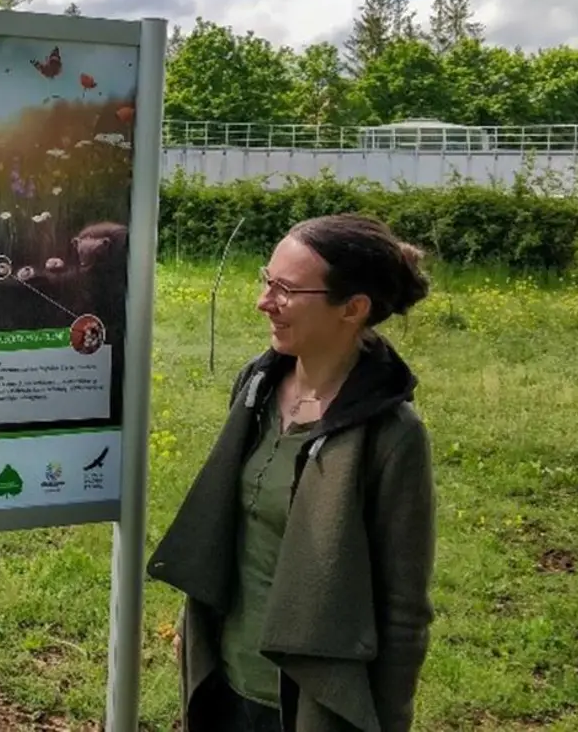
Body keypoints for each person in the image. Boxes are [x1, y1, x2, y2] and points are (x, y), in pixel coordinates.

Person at [147, 213, 437, 732]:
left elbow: (403, 612)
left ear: (352, 308)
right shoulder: (256, 387)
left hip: (308, 708)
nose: (263, 301)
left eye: (285, 289)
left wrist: (388, 722)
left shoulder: (392, 437)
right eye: (267, 280)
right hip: (223, 685)